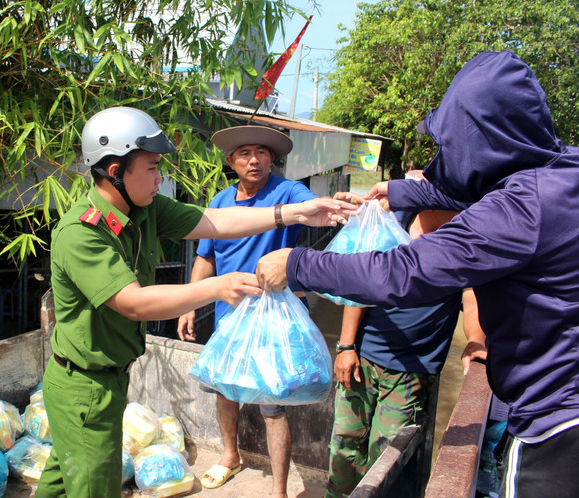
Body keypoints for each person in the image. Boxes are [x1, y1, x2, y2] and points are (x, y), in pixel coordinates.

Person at [256, 51, 579, 497]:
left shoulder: (519, 209)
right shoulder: (561, 172)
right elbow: (461, 184)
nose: (446, 157)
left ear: (479, 139)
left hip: (558, 426)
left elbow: (401, 273)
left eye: (451, 144)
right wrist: (400, 189)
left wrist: (297, 264)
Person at [35, 106, 355, 497]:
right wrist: (216, 288)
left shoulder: (144, 210)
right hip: (83, 386)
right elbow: (133, 303)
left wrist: (294, 213)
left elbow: (215, 221)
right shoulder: (80, 233)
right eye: (152, 167)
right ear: (116, 171)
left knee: (59, 482)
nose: (160, 177)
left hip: (107, 379)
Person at [176, 125, 316, 496]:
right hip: (229, 317)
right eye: (245, 154)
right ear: (231, 162)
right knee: (226, 389)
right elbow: (206, 257)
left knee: (272, 403)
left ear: (273, 158)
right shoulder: (220, 202)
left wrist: (332, 206)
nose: (254, 160)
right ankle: (229, 455)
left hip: (271, 320)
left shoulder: (287, 192)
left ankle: (280, 490)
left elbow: (308, 207)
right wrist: (189, 304)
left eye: (262, 153)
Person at [326, 205, 486, 497]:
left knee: (386, 453)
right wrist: (346, 346)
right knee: (345, 441)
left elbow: (472, 300)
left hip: (411, 369)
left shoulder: (464, 240)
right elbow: (361, 288)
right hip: (364, 357)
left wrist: (475, 339)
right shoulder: (391, 227)